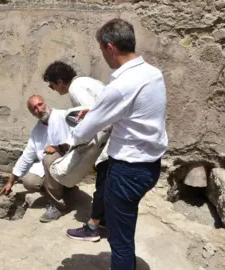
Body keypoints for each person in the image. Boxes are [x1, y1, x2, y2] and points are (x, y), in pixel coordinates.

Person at [65, 19, 168, 270]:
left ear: (110, 48)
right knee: (125, 229)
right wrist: (97, 110)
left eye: (101, 49)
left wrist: (68, 139)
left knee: (120, 242)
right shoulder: (153, 73)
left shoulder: (120, 86)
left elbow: (84, 132)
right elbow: (134, 110)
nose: (102, 55)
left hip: (127, 172)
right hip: (150, 166)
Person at [42, 61, 109, 242]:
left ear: (61, 81)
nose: (52, 89)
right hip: (113, 140)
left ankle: (93, 228)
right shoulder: (87, 82)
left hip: (108, 145)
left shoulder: (76, 89)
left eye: (52, 84)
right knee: (106, 185)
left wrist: (77, 145)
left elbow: (92, 120)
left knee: (103, 186)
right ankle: (104, 221)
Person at [0, 95, 73, 222]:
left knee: (49, 158)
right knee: (29, 181)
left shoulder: (63, 116)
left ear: (45, 103)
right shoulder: (37, 131)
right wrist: (11, 181)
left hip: (70, 163)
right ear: (33, 114)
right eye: (34, 109)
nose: (39, 109)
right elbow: (26, 156)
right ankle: (63, 190)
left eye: (40, 104)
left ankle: (58, 206)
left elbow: (80, 136)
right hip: (49, 166)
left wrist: (60, 147)